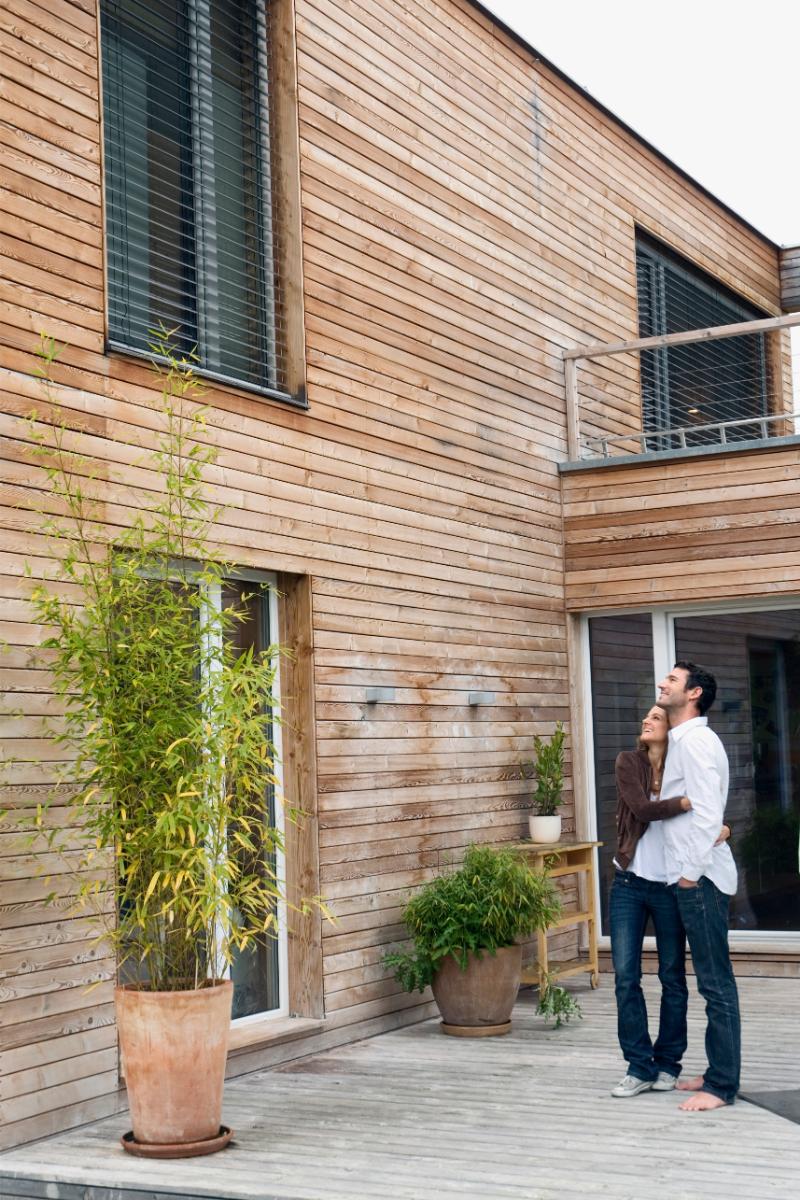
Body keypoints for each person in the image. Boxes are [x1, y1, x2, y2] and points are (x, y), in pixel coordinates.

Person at [657, 661, 740, 1112]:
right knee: (711, 980)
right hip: (692, 875)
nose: (662, 683)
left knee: (715, 983)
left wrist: (689, 874)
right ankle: (715, 1073)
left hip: (702, 878)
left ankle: (722, 1086)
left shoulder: (697, 741)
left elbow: (709, 813)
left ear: (692, 694)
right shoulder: (684, 741)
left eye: (671, 680)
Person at [610, 707, 691, 1097]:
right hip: (628, 883)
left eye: (656, 718)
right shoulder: (629, 762)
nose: (646, 720)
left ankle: (669, 1063)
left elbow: (712, 807)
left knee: (672, 978)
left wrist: (721, 824)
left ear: (671, 729)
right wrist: (681, 804)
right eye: (645, 716)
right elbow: (642, 809)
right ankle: (639, 1065)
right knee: (626, 978)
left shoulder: (683, 766)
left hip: (670, 886)